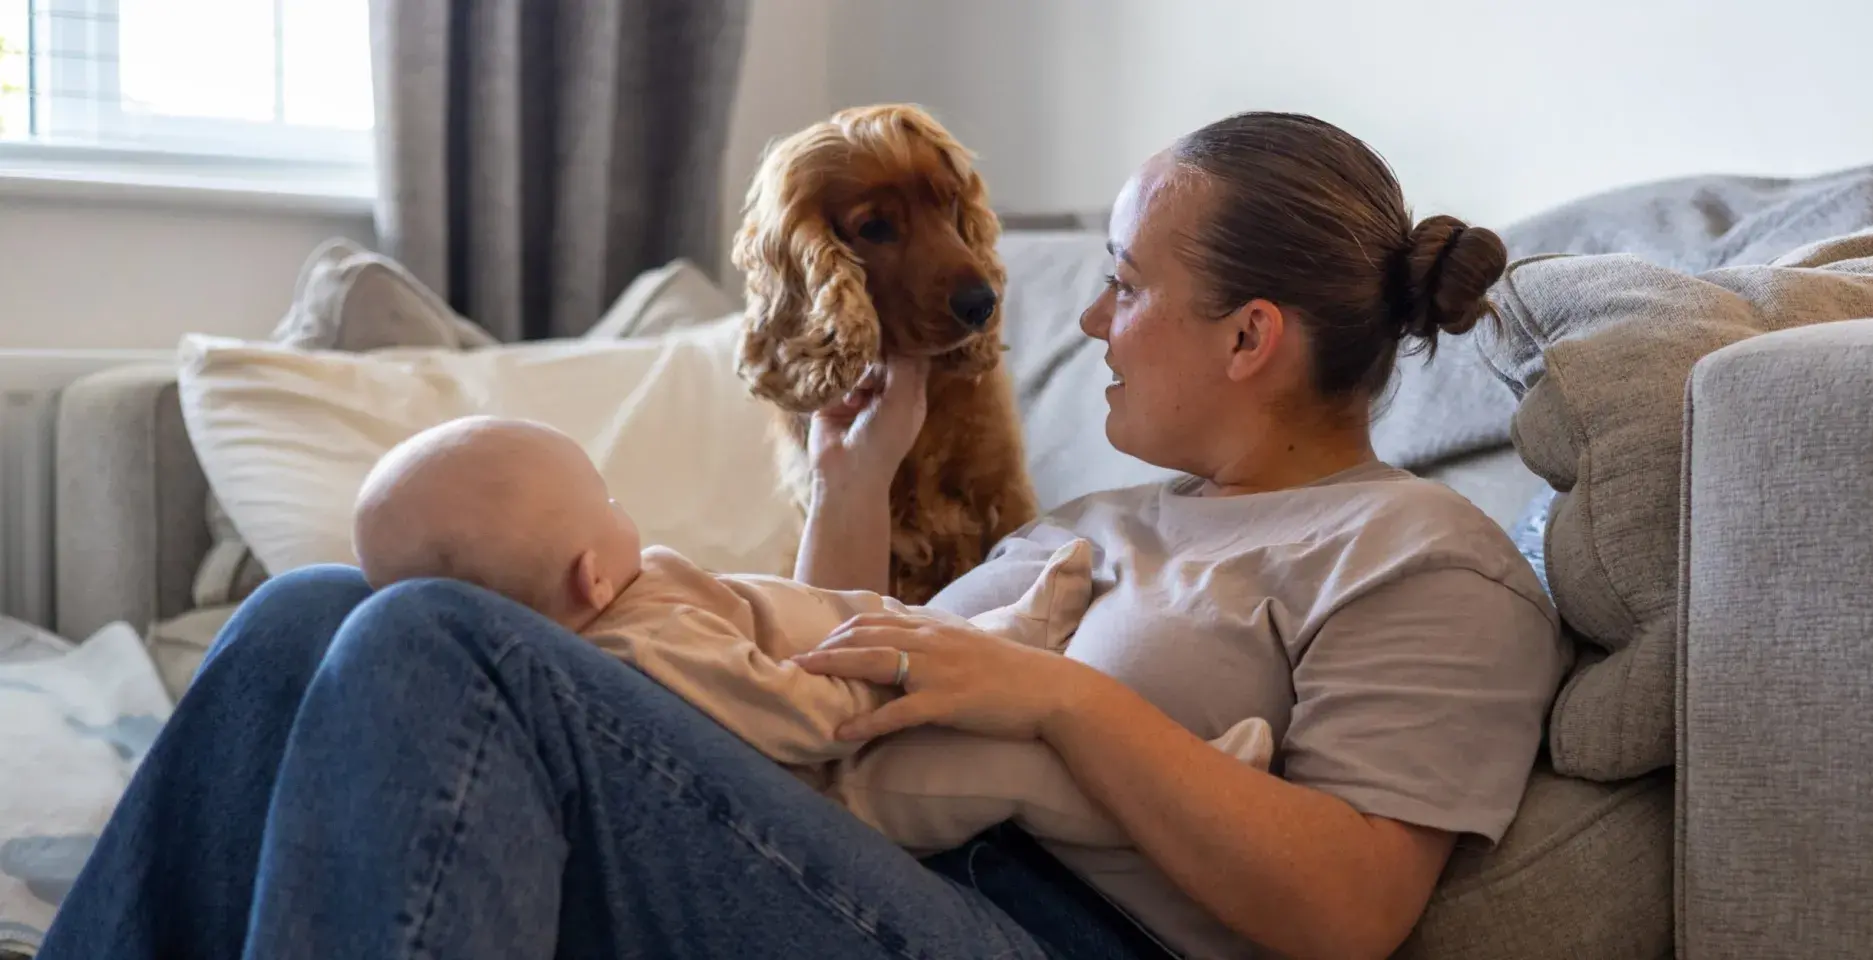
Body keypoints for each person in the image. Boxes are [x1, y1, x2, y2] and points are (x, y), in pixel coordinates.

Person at [40, 111, 1567, 960]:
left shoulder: (1418, 552)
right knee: (319, 609)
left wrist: (1058, 693)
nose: (1085, 317)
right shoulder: (1110, 517)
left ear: (1249, 336)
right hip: (870, 851)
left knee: (438, 637)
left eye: (1121, 282)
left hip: (1047, 933)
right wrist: (857, 486)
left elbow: (1350, 910)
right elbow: (830, 702)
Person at [345, 413, 1273, 853]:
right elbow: (796, 720)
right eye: (611, 502)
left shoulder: (637, 603)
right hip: (848, 783)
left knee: (325, 603)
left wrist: (851, 482)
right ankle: (1190, 791)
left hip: (873, 680)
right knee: (1010, 770)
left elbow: (800, 617)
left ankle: (1008, 639)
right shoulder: (646, 643)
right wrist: (908, 681)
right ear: (590, 574)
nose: (629, 514)